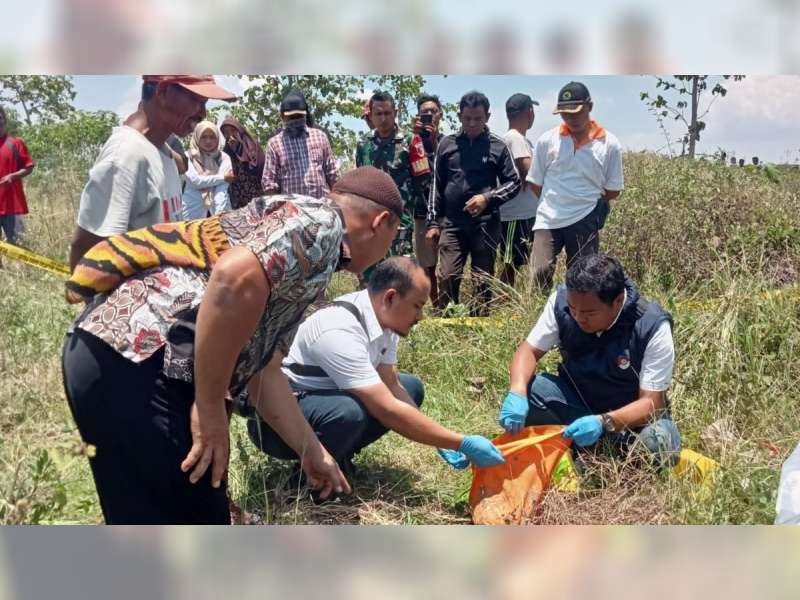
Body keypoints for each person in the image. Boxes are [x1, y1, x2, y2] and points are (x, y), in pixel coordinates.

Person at [62, 166, 403, 524]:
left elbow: (264, 370)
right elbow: (233, 275)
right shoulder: (322, 225)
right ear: (379, 222)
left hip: (102, 351)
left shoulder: (303, 239)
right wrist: (208, 407)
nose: (384, 254)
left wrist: (312, 452)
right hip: (141, 359)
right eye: (391, 240)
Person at [246, 256, 505, 480]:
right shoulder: (339, 327)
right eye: (417, 306)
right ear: (391, 297)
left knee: (410, 388)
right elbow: (386, 408)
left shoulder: (385, 322)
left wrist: (438, 440)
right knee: (352, 412)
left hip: (322, 407)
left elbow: (391, 384)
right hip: (277, 425)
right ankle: (309, 475)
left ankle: (339, 457)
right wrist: (459, 441)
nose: (420, 317)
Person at [497, 254, 680, 465]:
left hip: (632, 422)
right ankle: (580, 453)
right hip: (579, 407)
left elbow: (651, 403)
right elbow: (528, 351)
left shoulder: (651, 326)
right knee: (530, 391)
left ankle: (625, 467)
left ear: (618, 301)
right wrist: (517, 391)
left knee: (661, 440)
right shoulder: (562, 302)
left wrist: (604, 423)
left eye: (589, 313)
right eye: (573, 309)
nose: (578, 317)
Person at [68, 75, 237, 271]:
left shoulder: (164, 154)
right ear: (163, 93)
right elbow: (88, 251)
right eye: (196, 101)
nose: (203, 113)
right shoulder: (125, 155)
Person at [427, 90, 521, 316]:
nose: (472, 123)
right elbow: (436, 185)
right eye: (467, 118)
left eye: (478, 119)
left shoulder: (498, 146)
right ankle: (448, 327)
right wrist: (433, 222)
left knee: (482, 279)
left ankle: (479, 329)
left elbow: (514, 182)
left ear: (487, 117)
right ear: (459, 116)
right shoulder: (447, 144)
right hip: (452, 223)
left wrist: (487, 198)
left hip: (486, 225)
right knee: (448, 276)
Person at [528, 81, 624, 292]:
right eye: (564, 114)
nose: (570, 118)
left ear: (589, 107)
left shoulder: (609, 144)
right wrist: (553, 201)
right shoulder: (547, 140)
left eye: (575, 112)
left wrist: (584, 202)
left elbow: (613, 190)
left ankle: (576, 319)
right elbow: (535, 183)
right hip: (548, 219)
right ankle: (538, 315)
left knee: (583, 279)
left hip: (585, 218)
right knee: (539, 272)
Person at [355, 91, 431, 278]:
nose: (383, 119)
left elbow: (423, 180)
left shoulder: (411, 141)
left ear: (395, 113)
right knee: (370, 275)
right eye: (378, 114)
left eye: (387, 113)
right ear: (370, 115)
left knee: (401, 274)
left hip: (400, 221)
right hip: (370, 222)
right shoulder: (363, 144)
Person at [261, 89, 339, 198]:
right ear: (282, 116)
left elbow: (332, 174)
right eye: (291, 117)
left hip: (321, 207)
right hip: (292, 210)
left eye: (298, 116)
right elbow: (269, 183)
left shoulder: (320, 137)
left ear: (305, 115)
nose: (295, 120)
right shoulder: (275, 144)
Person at [499, 93, 540, 288]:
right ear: (529, 113)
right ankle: (503, 302)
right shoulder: (515, 139)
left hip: (523, 213)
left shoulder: (519, 139)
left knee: (517, 262)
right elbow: (530, 173)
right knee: (510, 264)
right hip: (514, 215)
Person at [412, 94, 444, 304]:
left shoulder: (448, 142)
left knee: (449, 266)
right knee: (427, 265)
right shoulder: (411, 142)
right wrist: (416, 140)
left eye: (433, 111)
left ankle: (449, 303)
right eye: (425, 112)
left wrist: (433, 143)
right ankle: (436, 308)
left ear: (440, 115)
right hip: (421, 211)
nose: (429, 115)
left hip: (446, 212)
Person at [181, 121, 233, 219]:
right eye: (203, 137)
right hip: (192, 211)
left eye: (212, 137)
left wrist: (219, 214)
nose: (208, 141)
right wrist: (223, 177)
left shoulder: (223, 158)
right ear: (197, 137)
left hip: (219, 212)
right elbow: (195, 182)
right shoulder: (188, 157)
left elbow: (221, 190)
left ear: (217, 138)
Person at [0, 105, 35, 248]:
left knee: (18, 247)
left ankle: (20, 271)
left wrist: (12, 176)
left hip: (12, 206)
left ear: (4, 119)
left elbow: (29, 167)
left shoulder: (15, 143)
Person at [220, 116, 266, 208]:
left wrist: (238, 150)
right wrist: (233, 150)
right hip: (238, 201)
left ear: (239, 130)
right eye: (226, 133)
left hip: (257, 197)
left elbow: (258, 168)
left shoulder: (253, 146)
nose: (230, 135)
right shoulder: (226, 152)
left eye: (233, 130)